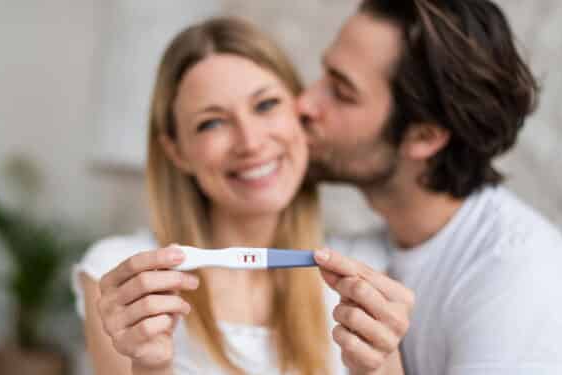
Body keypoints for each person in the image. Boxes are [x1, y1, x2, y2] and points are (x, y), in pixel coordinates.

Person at [297, 0, 562, 374]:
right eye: (325, 75)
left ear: (424, 136)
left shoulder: (516, 280)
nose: (305, 103)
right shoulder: (375, 248)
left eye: (341, 92)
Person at [72, 17, 414, 375]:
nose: (250, 142)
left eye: (265, 105)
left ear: (300, 112)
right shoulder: (124, 278)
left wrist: (379, 366)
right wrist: (149, 367)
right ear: (177, 151)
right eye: (212, 123)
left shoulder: (366, 274)